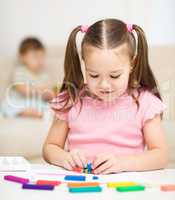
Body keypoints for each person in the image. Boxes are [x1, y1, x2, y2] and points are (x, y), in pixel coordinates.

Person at [43, 19, 168, 174]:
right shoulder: (71, 99)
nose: (104, 85)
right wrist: (64, 158)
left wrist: (123, 163)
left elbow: (161, 156)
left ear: (132, 64)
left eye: (114, 76)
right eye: (94, 75)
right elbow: (50, 148)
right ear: (84, 64)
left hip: (127, 190)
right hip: (81, 188)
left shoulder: (145, 102)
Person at [1, 37, 54, 118]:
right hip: (19, 101)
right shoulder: (20, 71)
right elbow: (21, 89)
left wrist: (49, 94)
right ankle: (27, 113)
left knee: (48, 105)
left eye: (42, 57)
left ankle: (41, 113)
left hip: (35, 102)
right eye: (35, 57)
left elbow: (48, 89)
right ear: (22, 57)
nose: (39, 61)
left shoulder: (44, 74)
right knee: (7, 105)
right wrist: (40, 91)